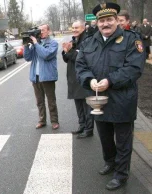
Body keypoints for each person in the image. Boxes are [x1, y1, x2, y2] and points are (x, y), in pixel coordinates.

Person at [75, 2, 145, 191]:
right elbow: (80, 66)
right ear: (97, 23)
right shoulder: (89, 42)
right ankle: (110, 162)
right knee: (105, 137)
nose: (105, 24)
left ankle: (121, 174)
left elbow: (134, 68)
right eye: (102, 21)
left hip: (122, 99)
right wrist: (89, 80)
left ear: (116, 21)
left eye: (109, 20)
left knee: (123, 140)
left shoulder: (132, 40)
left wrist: (109, 81)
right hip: (98, 100)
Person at [23, 24, 59, 130]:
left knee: (51, 101)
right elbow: (27, 58)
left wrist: (35, 43)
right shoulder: (36, 44)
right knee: (39, 101)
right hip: (36, 77)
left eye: (43, 30)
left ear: (48, 31)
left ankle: (54, 121)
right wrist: (26, 45)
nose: (41, 32)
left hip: (48, 77)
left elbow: (46, 55)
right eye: (40, 30)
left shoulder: (53, 43)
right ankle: (42, 120)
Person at [62, 20, 94, 138]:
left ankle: (89, 129)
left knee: (86, 105)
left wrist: (70, 51)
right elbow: (67, 59)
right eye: (73, 28)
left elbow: (80, 57)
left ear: (83, 28)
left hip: (83, 77)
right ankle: (82, 126)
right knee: (78, 104)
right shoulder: (74, 40)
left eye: (77, 28)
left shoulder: (87, 40)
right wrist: (65, 51)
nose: (74, 30)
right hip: (73, 78)